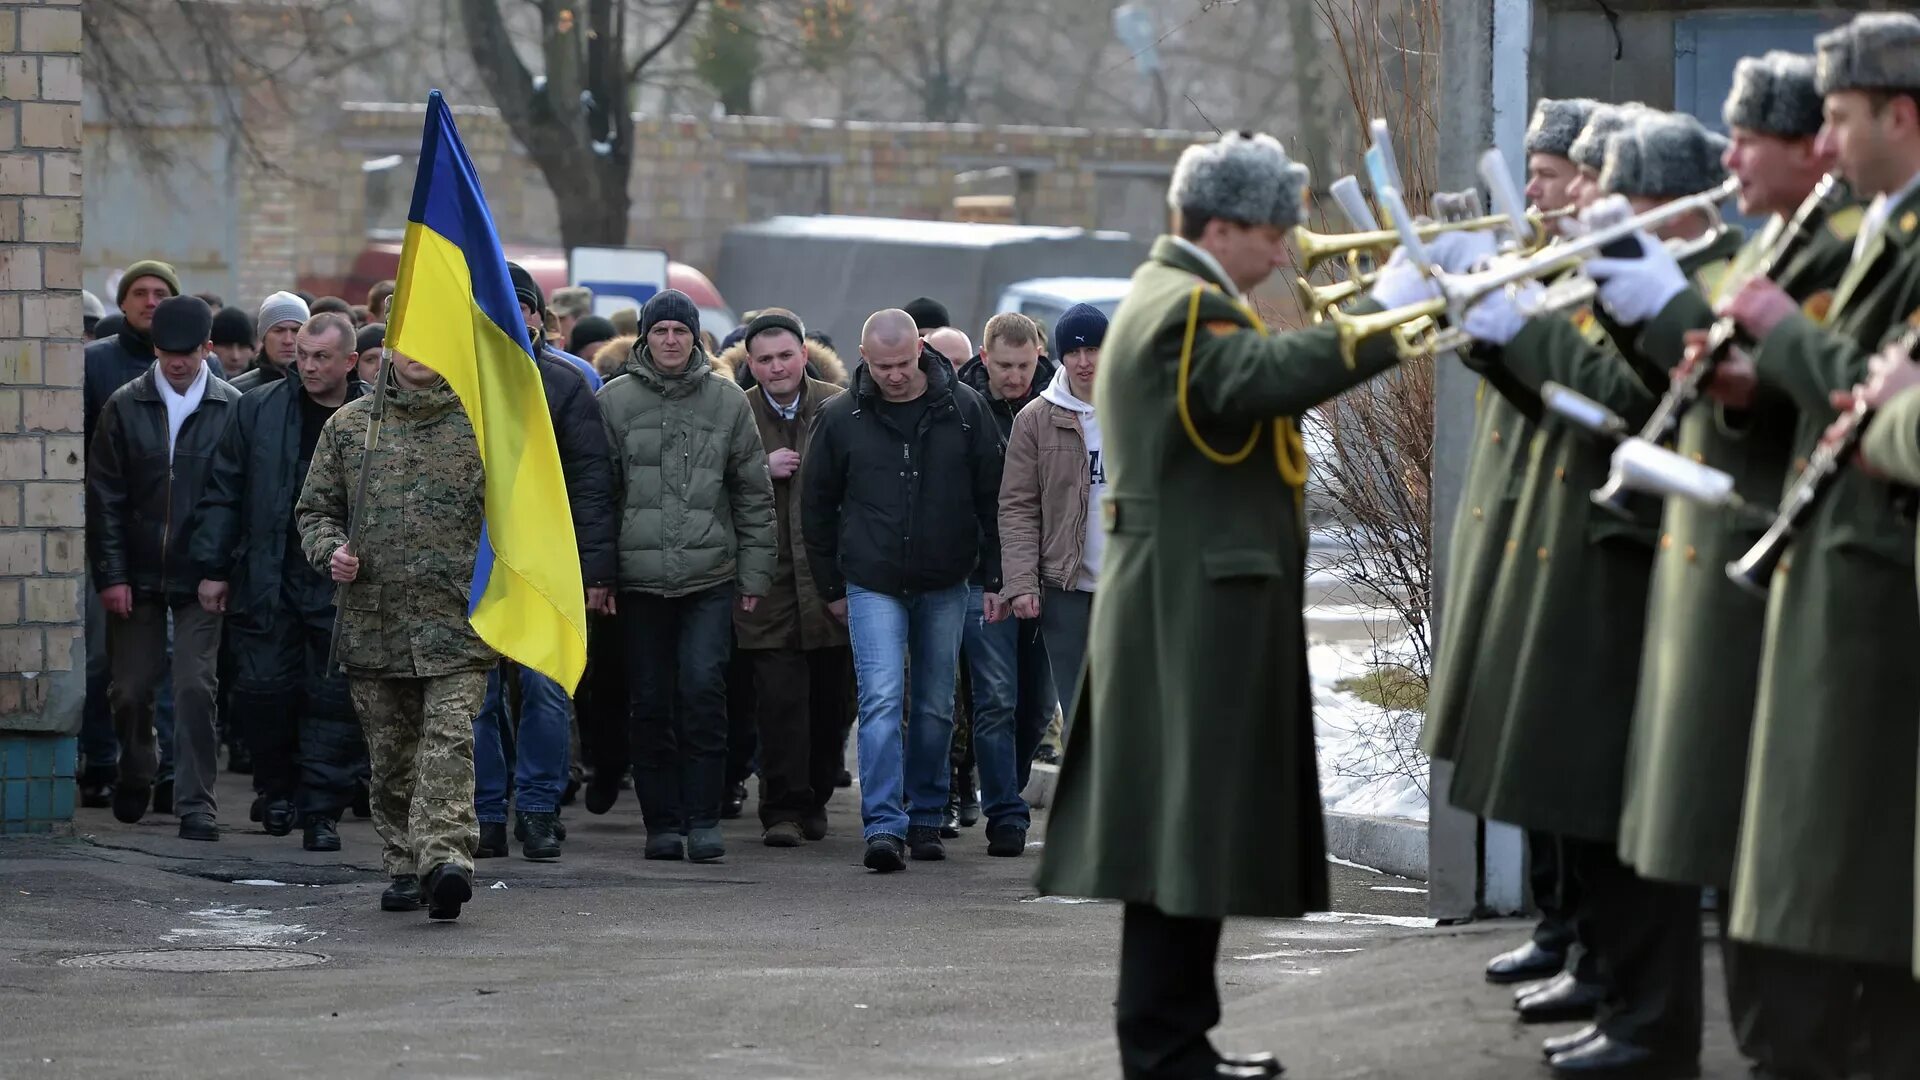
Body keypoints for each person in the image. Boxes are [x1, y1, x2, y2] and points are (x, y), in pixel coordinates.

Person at [1035, 131, 1423, 1080]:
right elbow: (1266, 383)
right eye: (1275, 230)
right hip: (1188, 606)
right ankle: (1166, 1050)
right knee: (1179, 834)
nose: (1287, 250)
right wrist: (1394, 309)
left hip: (1185, 598)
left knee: (1183, 834)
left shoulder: (1180, 297)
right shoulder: (1187, 309)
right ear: (1221, 224)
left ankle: (1177, 1039)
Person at [1579, 54, 1865, 1075]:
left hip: (1777, 586)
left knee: (1773, 883)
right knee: (1734, 873)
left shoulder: (1831, 248)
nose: (1729, 153)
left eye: (1750, 139)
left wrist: (1679, 319)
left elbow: (1819, 404)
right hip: (1715, 569)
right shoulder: (1792, 242)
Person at [1452, 110, 1751, 1075]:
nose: (1582, 203)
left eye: (1610, 191)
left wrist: (1522, 334)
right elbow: (1569, 391)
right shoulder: (1630, 280)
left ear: (1666, 206)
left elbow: (1623, 402)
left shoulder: (1702, 288)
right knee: (1593, 810)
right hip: (1589, 555)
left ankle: (1650, 1019)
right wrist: (1492, 334)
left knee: (1629, 823)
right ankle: (1622, 997)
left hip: (1640, 566)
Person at [1703, 13, 1920, 1073]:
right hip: (1839, 578)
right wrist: (1752, 378)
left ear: (1901, 113)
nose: (1826, 143)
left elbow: (1876, 399)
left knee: (1846, 899)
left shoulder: (1893, 239)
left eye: (1838, 119)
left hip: (1876, 595)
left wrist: (1785, 333)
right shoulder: (1883, 226)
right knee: (1807, 890)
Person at [1417, 97, 1600, 996]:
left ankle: (1576, 928)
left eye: (1551, 174)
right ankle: (1556, 916)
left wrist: (1514, 325)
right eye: (1531, 173)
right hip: (1517, 516)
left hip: (1566, 523)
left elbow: (1580, 391)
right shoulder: (1547, 261)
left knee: (1560, 748)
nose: (1533, 190)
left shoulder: (1600, 271)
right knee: (1528, 744)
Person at [801, 309, 1003, 870]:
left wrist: (994, 575)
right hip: (872, 580)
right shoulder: (841, 417)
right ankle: (884, 824)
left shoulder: (964, 409)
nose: (894, 375)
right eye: (882, 365)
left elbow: (993, 495)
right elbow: (815, 506)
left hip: (945, 578)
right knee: (883, 700)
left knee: (936, 704)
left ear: (920, 348)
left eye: (903, 362)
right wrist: (832, 585)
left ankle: (926, 815)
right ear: (863, 357)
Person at [296, 346, 492, 921]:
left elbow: (521, 516)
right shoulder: (351, 425)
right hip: (374, 623)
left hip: (458, 620)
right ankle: (405, 864)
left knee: (449, 739)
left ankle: (446, 860)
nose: (421, 355)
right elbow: (314, 511)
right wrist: (331, 552)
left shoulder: (481, 425)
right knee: (392, 757)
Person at [594, 289, 776, 863]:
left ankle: (704, 818)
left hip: (709, 575)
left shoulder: (727, 400)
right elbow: (599, 495)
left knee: (703, 691)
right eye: (660, 331)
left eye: (680, 331)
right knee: (649, 701)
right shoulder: (614, 401)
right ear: (644, 338)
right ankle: (662, 822)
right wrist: (599, 574)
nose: (670, 341)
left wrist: (753, 576)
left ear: (696, 338)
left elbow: (753, 494)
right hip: (639, 580)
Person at [191, 313, 370, 851]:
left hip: (344, 581)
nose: (309, 366)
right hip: (270, 573)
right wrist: (213, 568)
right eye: (303, 355)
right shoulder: (261, 409)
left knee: (334, 700)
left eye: (321, 357)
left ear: (350, 362)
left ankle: (321, 811)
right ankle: (276, 788)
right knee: (263, 691)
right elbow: (225, 488)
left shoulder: (373, 419)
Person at [470, 267, 618, 863]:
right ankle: (485, 813)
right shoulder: (457, 381)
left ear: (537, 316)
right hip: (474, 560)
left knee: (545, 690)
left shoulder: (564, 384)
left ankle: (536, 809)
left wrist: (595, 572)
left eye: (521, 307)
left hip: (547, 562)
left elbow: (591, 485)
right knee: (476, 698)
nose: (513, 317)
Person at [87, 295, 242, 841]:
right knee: (129, 688)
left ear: (206, 348)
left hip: (201, 572)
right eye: (166, 351)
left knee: (197, 686)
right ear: (155, 349)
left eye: (187, 352)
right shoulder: (125, 405)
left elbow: (233, 496)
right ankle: (136, 767)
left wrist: (219, 568)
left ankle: (196, 802)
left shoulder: (229, 407)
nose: (176, 362)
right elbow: (104, 495)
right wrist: (110, 575)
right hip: (136, 569)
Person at [725, 311, 852, 847]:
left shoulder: (841, 406)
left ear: (804, 354)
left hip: (833, 583)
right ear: (750, 363)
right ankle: (781, 808)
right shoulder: (736, 409)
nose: (776, 367)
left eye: (785, 355)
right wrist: (758, 466)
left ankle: (816, 795)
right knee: (778, 704)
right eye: (764, 359)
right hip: (767, 582)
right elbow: (703, 480)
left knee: (833, 702)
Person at [943, 311, 1061, 854]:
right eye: (1004, 365)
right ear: (985, 358)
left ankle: (1003, 786)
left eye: (1025, 364)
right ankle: (1005, 812)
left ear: (1039, 354)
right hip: (981, 573)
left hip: (1049, 570)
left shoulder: (1062, 402)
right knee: (994, 696)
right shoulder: (960, 405)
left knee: (1036, 704)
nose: (1014, 376)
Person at [80, 259, 186, 810]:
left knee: (173, 665)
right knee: (107, 665)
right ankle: (105, 760)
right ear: (122, 303)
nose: (150, 301)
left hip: (178, 547)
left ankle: (163, 771)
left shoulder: (195, 374)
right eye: (140, 293)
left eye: (161, 293)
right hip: (110, 539)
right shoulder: (96, 366)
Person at [999, 303, 1107, 762]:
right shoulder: (1036, 419)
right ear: (1060, 357)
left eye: (1093, 349)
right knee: (1079, 704)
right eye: (1073, 351)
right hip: (1066, 585)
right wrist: (1022, 581)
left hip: (1136, 584)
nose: (1084, 361)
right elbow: (1018, 506)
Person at [231, 292, 311, 393]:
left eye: (296, 330)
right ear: (263, 337)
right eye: (279, 331)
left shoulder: (322, 388)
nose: (288, 340)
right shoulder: (239, 392)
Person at [209, 306, 256, 380]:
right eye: (227, 347)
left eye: (242, 347)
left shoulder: (268, 387)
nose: (235, 357)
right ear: (210, 348)